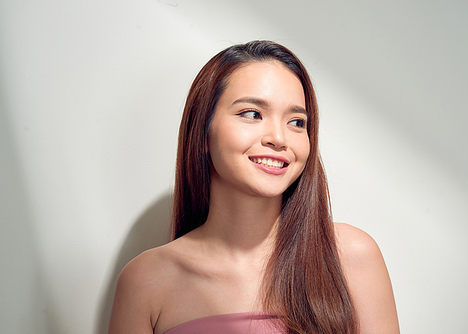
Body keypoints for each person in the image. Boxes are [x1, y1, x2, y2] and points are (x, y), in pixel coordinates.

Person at [108, 40, 399, 334]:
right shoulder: (145, 282)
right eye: (252, 114)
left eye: (297, 122)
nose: (278, 137)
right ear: (203, 133)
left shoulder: (352, 258)